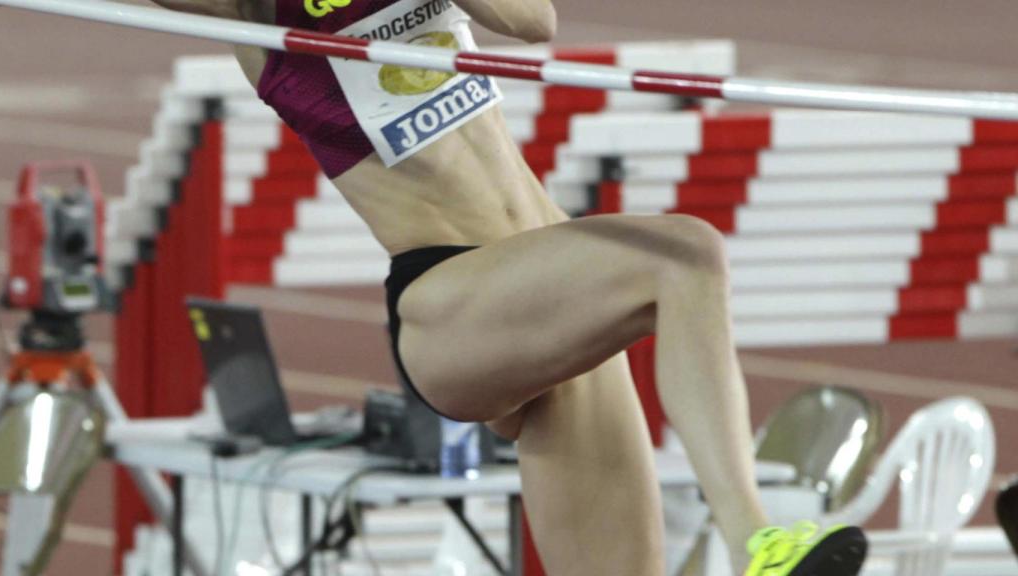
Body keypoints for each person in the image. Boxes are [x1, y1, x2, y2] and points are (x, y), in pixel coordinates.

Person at [152, 0, 867, 574]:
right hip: (445, 297)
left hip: (542, 286)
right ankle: (754, 541)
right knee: (686, 254)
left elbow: (532, 20)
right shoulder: (251, 10)